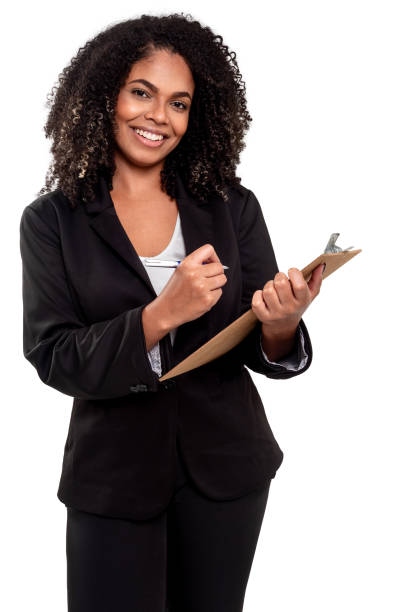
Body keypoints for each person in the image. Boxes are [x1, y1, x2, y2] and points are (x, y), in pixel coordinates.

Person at [19, 13, 324, 612]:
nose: (159, 115)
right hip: (113, 478)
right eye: (141, 92)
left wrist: (283, 323)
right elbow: (54, 355)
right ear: (106, 94)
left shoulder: (231, 206)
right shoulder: (53, 220)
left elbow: (256, 338)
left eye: (179, 102)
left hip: (227, 470)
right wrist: (160, 314)